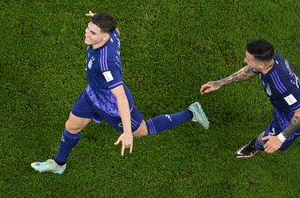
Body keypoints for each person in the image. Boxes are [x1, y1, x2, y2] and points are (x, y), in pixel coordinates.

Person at [32, 12, 209, 174]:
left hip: (112, 106)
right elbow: (117, 30)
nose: (87, 34)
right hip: (92, 95)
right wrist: (98, 19)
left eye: (93, 33)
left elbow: (121, 98)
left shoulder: (106, 63)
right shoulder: (112, 36)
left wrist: (126, 132)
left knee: (142, 130)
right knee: (72, 126)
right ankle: (59, 164)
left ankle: (191, 112)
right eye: (88, 28)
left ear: (104, 37)